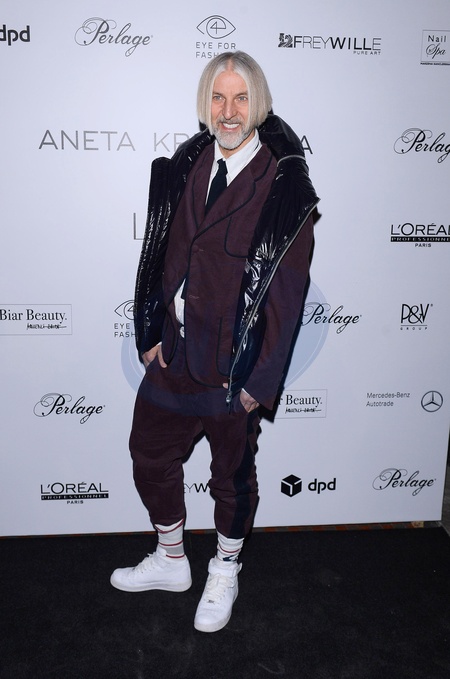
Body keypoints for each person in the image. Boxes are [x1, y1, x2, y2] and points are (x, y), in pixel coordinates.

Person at [110, 51, 319, 633]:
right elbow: (161, 252)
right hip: (175, 355)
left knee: (232, 479)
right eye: (219, 98)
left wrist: (261, 381)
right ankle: (171, 559)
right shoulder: (187, 163)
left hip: (233, 367)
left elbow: (287, 298)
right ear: (206, 103)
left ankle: (225, 569)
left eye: (241, 98)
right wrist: (151, 331)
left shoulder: (284, 189)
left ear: (259, 104)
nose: (229, 111)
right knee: (149, 456)